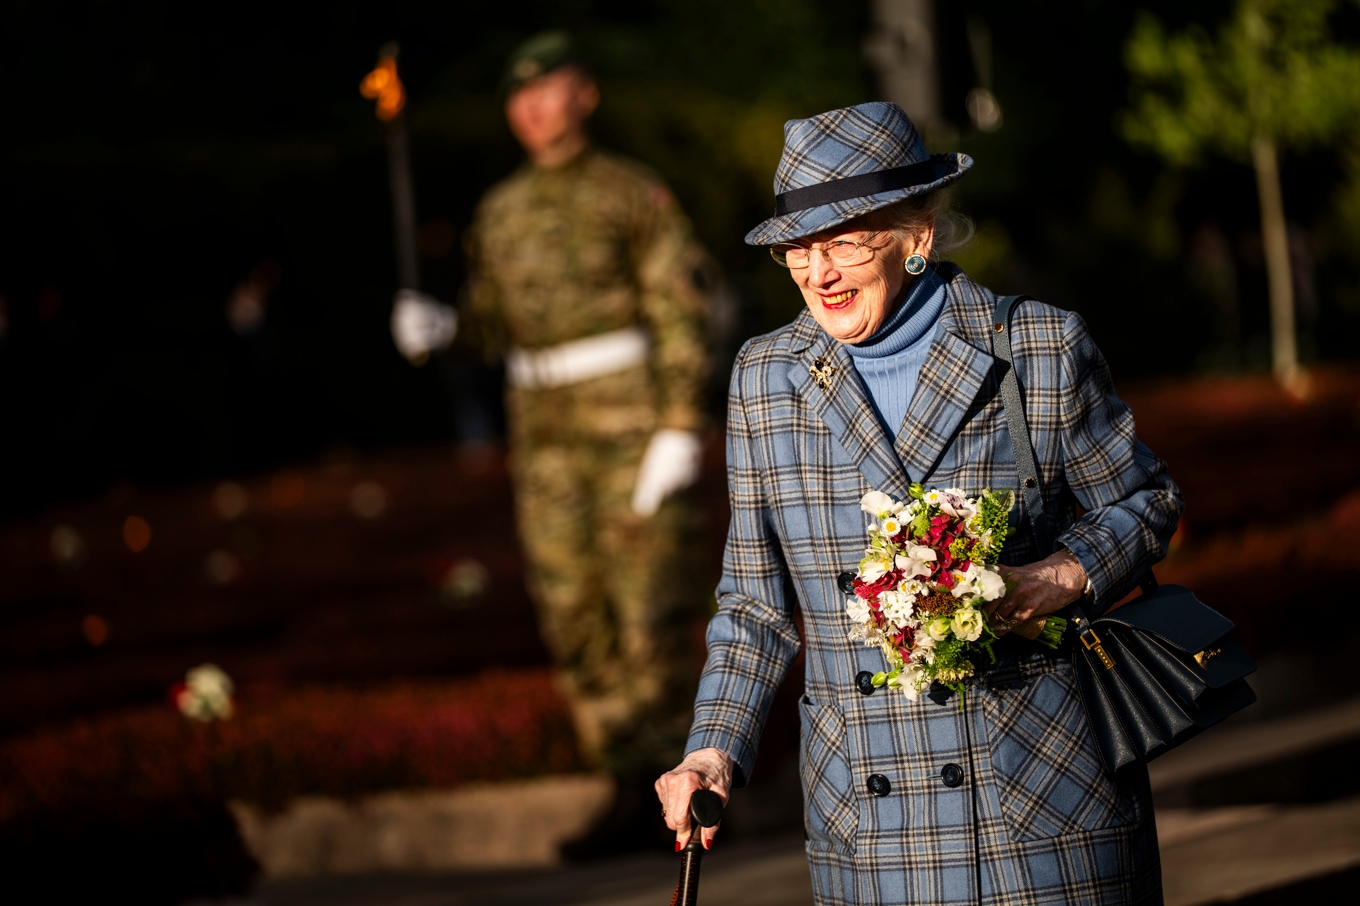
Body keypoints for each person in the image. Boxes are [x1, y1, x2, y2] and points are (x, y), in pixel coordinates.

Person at [655, 101, 1182, 904]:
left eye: (844, 242)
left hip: (1041, 794)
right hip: (872, 822)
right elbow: (755, 608)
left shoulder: (1036, 347)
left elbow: (1148, 502)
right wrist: (712, 750)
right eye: (798, 248)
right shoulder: (766, 379)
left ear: (919, 232)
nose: (818, 273)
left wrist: (1057, 576)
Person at [393, 33, 713, 783]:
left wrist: (678, 424)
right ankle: (621, 776)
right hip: (544, 437)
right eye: (518, 95)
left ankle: (681, 783)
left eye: (547, 89)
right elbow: (492, 323)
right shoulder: (500, 211)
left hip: (628, 426)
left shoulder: (630, 192)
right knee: (572, 613)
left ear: (585, 95)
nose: (531, 107)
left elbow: (681, 309)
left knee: (651, 609)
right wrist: (444, 328)